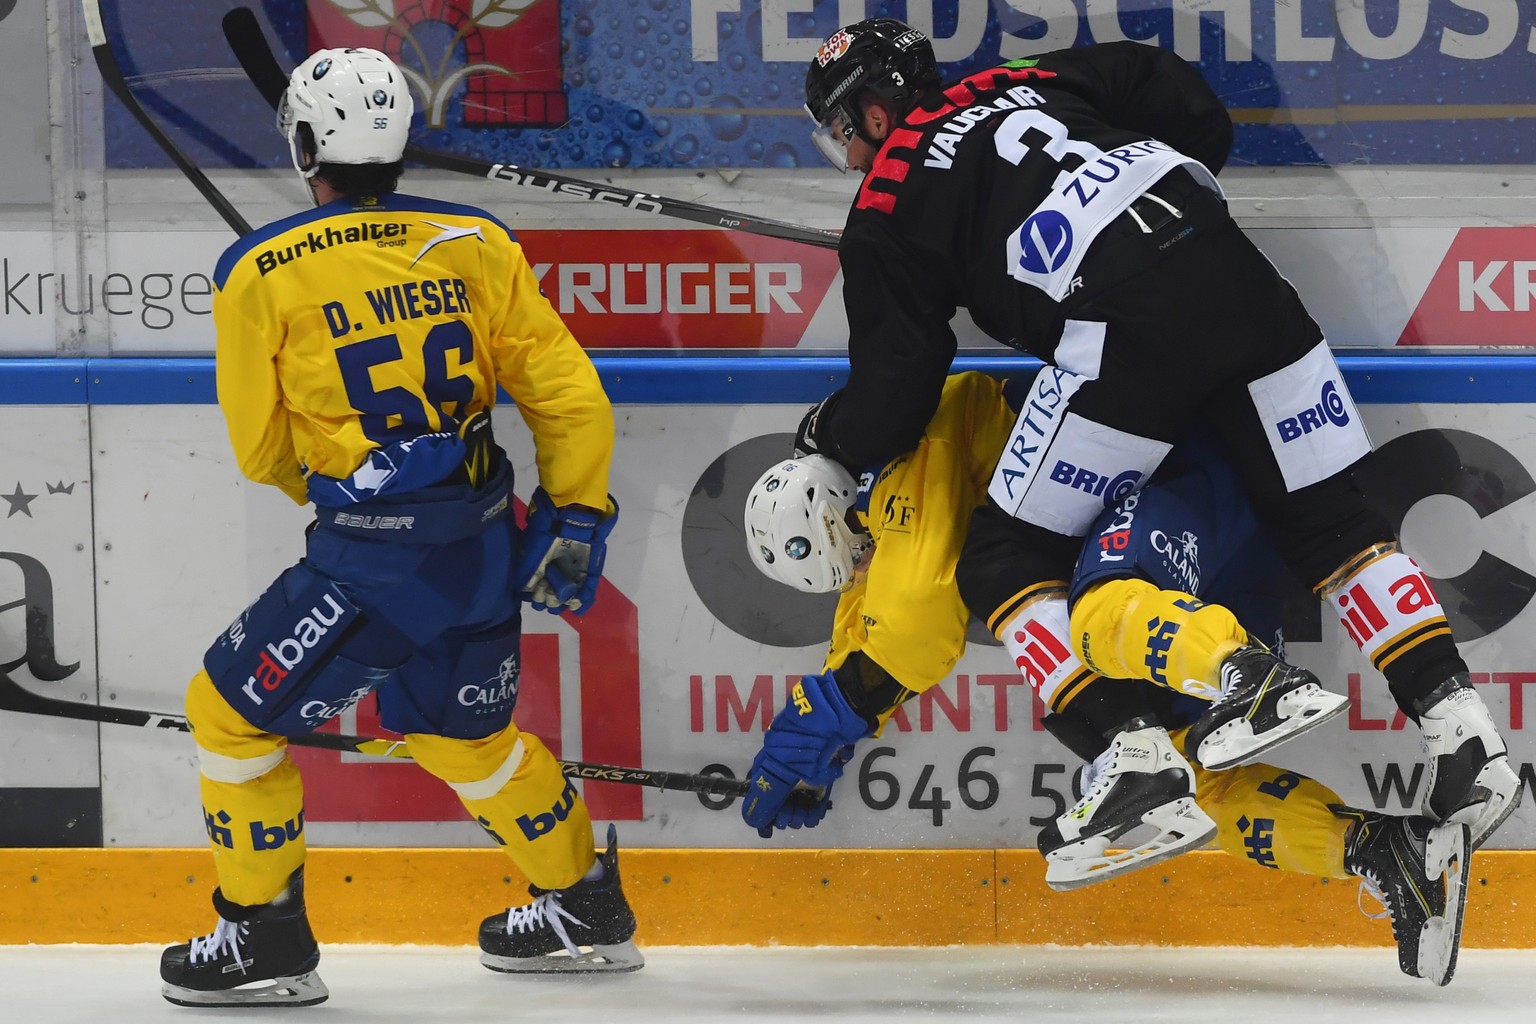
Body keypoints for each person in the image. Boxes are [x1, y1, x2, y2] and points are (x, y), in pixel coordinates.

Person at [793, 19, 1518, 854]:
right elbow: (1182, 95)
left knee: (1002, 557)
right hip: (1243, 279)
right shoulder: (1021, 79)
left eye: (844, 134)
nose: (848, 157)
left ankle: (1132, 755)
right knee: (1332, 523)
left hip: (1125, 332)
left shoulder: (885, 203)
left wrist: (829, 434)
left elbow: (898, 387)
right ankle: (1467, 739)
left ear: (874, 116)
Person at [158, 48, 640, 1007]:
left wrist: (357, 496)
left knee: (225, 715)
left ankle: (263, 937)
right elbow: (569, 397)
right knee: (464, 738)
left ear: (303, 146)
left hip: (370, 563)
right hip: (482, 543)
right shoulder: (477, 242)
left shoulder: (256, 269)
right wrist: (576, 508)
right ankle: (582, 905)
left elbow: (261, 452)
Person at [741, 369, 1471, 985]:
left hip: (1180, 491)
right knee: (1187, 781)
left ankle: (1245, 675)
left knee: (1096, 619)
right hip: (1200, 560)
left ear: (845, 507)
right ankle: (1383, 850)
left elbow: (914, 614)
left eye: (858, 554)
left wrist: (827, 715)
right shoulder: (864, 519)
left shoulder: (902, 457)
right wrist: (825, 734)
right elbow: (867, 633)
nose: (864, 569)